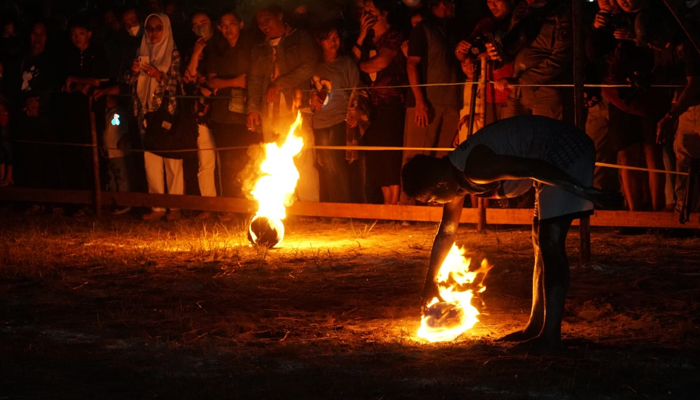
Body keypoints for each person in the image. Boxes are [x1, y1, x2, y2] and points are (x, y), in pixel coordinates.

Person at [402, 115, 620, 351]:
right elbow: (445, 233)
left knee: (551, 242)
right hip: (545, 161)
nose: (436, 204)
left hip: (564, 151)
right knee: (540, 241)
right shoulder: (456, 175)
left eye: (432, 200)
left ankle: (550, 337)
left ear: (441, 185)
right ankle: (536, 327)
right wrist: (429, 283)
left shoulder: (475, 169)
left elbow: (535, 167)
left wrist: (584, 191)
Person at [247, 4, 319, 203]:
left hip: (295, 108)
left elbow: (309, 66)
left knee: (303, 159)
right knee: (274, 159)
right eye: (259, 22)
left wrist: (279, 83)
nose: (263, 25)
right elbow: (254, 79)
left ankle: (310, 207)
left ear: (279, 15)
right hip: (269, 112)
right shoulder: (259, 48)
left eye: (266, 19)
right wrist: (253, 108)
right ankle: (285, 206)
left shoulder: (300, 37)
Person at [124, 13, 183, 221]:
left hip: (166, 112)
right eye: (149, 28)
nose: (153, 32)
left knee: (172, 159)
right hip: (144, 111)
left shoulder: (173, 52)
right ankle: (157, 207)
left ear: (165, 29)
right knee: (151, 160)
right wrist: (133, 71)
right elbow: (128, 80)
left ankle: (175, 206)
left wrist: (158, 75)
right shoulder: (141, 50)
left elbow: (176, 84)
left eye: (158, 28)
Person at [351, 0, 407, 205]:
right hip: (371, 106)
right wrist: (362, 35)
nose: (366, 14)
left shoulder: (394, 35)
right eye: (364, 11)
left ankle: (395, 202)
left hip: (391, 102)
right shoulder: (368, 40)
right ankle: (386, 203)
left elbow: (381, 62)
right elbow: (351, 61)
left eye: (371, 11)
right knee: (376, 153)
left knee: (390, 151)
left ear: (383, 13)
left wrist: (357, 67)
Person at [486, 0, 572, 120]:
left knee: (543, 136)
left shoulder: (561, 12)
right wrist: (498, 55)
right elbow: (513, 47)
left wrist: (523, 80)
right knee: (510, 134)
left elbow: (561, 57)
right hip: (517, 90)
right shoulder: (521, 10)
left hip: (545, 91)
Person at [403, 0, 462, 170]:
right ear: (442, 4)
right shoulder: (423, 29)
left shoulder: (451, 32)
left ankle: (436, 197)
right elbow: (411, 64)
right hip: (428, 104)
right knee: (417, 160)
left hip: (450, 104)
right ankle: (409, 198)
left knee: (442, 162)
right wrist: (420, 103)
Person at [207, 8, 257, 200]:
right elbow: (212, 82)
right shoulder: (216, 50)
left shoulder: (252, 48)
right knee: (227, 161)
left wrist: (224, 82)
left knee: (247, 158)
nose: (228, 29)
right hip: (222, 114)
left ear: (241, 25)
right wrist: (235, 81)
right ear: (219, 28)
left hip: (246, 112)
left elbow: (254, 79)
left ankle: (249, 203)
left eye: (232, 24)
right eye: (224, 25)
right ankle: (230, 204)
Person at [309, 23, 359, 203]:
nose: (333, 42)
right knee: (326, 164)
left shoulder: (346, 63)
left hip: (339, 119)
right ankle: (331, 206)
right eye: (328, 38)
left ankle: (343, 207)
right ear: (319, 41)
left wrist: (354, 111)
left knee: (336, 162)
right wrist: (311, 98)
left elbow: (356, 89)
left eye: (336, 37)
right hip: (319, 121)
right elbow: (306, 90)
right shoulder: (314, 66)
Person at [181, 9, 217, 219]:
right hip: (200, 111)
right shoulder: (193, 49)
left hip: (222, 109)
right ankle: (209, 204)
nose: (199, 27)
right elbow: (188, 78)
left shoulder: (221, 46)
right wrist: (195, 53)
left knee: (226, 158)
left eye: (203, 22)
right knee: (205, 158)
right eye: (195, 24)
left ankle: (229, 206)